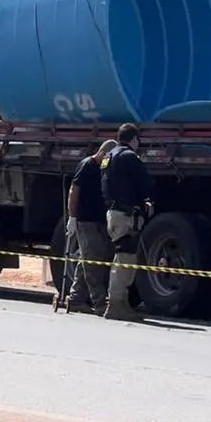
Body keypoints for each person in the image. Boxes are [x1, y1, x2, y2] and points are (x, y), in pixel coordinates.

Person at [100, 123, 154, 321]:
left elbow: (105, 185)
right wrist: (144, 201)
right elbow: (145, 183)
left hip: (113, 212)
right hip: (126, 215)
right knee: (125, 261)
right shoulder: (130, 157)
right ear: (133, 139)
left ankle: (119, 303)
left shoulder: (108, 157)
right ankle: (116, 304)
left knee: (120, 259)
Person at [63, 139, 117, 315]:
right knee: (93, 261)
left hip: (100, 220)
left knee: (88, 259)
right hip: (85, 220)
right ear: (102, 153)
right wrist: (72, 217)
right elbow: (74, 191)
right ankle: (99, 302)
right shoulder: (87, 165)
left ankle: (76, 299)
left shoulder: (105, 169)